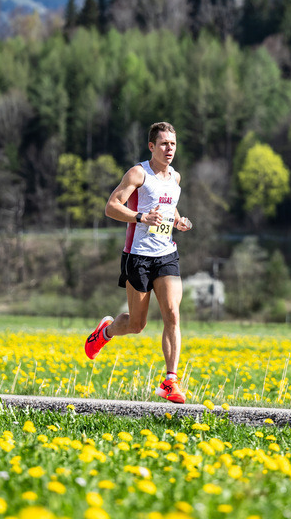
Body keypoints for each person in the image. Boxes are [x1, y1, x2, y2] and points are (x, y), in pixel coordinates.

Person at [84, 121, 193, 404]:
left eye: (173, 144)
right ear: (152, 146)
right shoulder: (138, 173)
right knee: (136, 323)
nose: (170, 149)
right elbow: (111, 206)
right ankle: (104, 333)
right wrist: (141, 217)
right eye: (164, 144)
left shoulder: (175, 178)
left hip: (166, 254)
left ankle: (170, 381)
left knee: (172, 312)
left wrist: (178, 220)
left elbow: (168, 207)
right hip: (139, 255)